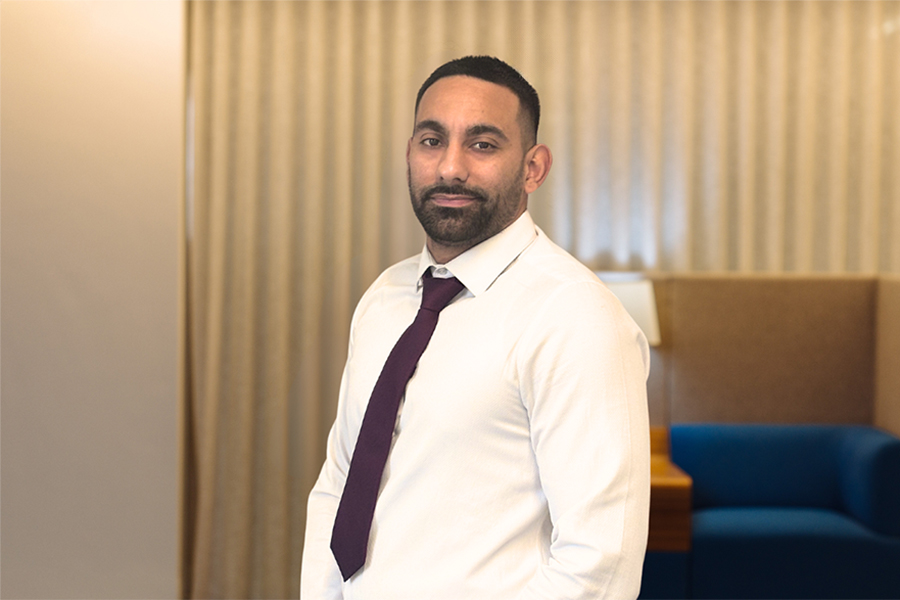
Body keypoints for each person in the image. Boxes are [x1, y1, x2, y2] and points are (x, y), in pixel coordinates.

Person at [300, 55, 650, 600]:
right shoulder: (385, 298)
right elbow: (340, 484)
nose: (450, 168)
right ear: (410, 153)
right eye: (432, 141)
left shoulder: (575, 315)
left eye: (482, 144)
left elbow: (599, 563)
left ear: (533, 168)